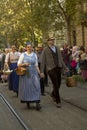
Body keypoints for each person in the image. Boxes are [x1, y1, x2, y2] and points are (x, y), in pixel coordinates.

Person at [40, 37, 68, 108]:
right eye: (51, 40)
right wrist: (42, 72)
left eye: (53, 40)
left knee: (59, 83)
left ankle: (53, 93)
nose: (52, 41)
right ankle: (58, 101)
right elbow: (43, 61)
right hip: (50, 69)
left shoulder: (57, 48)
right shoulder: (45, 50)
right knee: (55, 84)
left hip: (58, 67)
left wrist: (65, 67)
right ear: (48, 41)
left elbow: (61, 59)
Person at [17, 42, 41, 110]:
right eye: (28, 47)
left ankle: (37, 102)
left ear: (32, 47)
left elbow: (36, 65)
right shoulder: (23, 55)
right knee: (27, 87)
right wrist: (24, 64)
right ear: (26, 48)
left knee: (36, 86)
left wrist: (39, 73)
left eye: (30, 47)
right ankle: (28, 101)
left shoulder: (35, 55)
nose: (29, 48)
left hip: (34, 72)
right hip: (26, 73)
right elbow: (18, 64)